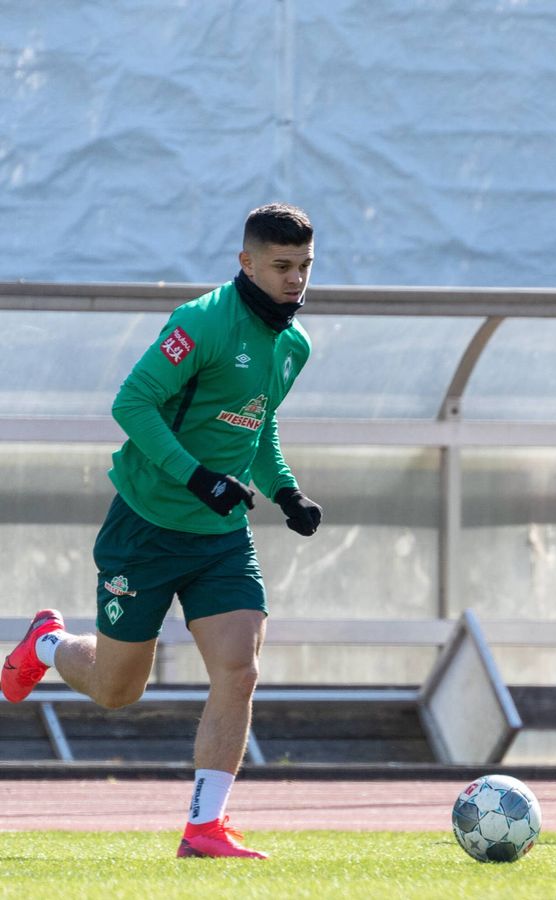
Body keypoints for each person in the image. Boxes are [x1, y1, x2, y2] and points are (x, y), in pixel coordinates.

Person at [2, 203, 324, 859]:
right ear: (247, 262)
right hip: (144, 529)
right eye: (282, 266)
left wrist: (285, 488)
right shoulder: (200, 323)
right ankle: (47, 644)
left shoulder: (293, 346)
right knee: (119, 691)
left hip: (222, 538)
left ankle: (204, 828)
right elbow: (132, 404)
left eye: (305, 267)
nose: (296, 281)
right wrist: (197, 476)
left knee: (239, 669)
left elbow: (257, 428)